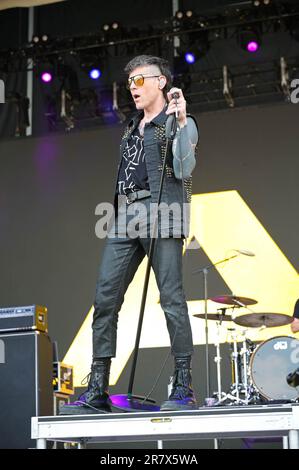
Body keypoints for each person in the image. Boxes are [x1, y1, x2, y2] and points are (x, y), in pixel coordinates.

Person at [60, 55, 199, 414]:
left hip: (162, 211)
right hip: (125, 214)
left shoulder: (178, 122)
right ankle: (98, 390)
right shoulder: (131, 125)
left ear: (160, 83)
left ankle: (183, 385)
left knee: (171, 297)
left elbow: (185, 168)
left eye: (139, 81)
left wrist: (182, 121)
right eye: (130, 83)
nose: (132, 88)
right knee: (105, 298)